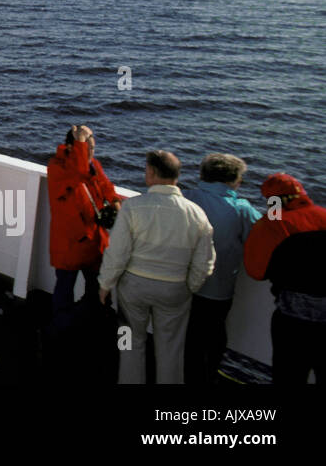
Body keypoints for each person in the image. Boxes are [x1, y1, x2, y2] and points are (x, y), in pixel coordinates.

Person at [98, 150, 216, 384]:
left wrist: (105, 284)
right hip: (175, 289)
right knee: (171, 349)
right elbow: (205, 263)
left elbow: (117, 253)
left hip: (133, 289)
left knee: (129, 342)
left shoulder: (133, 208)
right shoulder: (197, 214)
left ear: (151, 173)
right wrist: (188, 286)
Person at [183, 153, 262, 383]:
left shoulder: (186, 197)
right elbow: (268, 232)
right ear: (232, 181)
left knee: (189, 333)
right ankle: (209, 375)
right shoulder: (242, 209)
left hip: (182, 284)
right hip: (218, 289)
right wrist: (275, 201)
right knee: (215, 333)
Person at [243, 173, 326, 384]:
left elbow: (256, 271)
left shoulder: (272, 224)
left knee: (289, 376)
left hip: (294, 317)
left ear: (271, 200)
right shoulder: (322, 215)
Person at [47, 124, 122, 332]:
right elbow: (78, 173)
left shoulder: (92, 164)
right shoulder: (57, 167)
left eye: (93, 148)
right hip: (69, 244)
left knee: (96, 291)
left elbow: (105, 185)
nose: (91, 153)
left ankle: (92, 327)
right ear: (72, 147)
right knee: (64, 292)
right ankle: (59, 334)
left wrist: (114, 201)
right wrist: (80, 142)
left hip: (93, 242)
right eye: (86, 148)